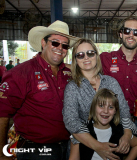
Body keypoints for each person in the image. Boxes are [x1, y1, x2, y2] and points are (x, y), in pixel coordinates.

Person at [0, 20, 80, 160]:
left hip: (68, 147)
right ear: (43, 43)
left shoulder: (68, 73)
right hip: (37, 151)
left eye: (65, 45)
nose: (60, 48)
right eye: (55, 43)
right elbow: (2, 114)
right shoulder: (21, 73)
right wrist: (1, 153)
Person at [62, 38, 137, 160]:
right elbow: (71, 122)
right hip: (83, 149)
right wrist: (97, 146)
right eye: (80, 55)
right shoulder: (72, 87)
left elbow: (124, 112)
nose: (86, 58)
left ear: (96, 56)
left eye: (90, 53)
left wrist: (127, 135)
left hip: (112, 144)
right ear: (75, 60)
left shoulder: (111, 82)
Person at [100, 15, 137, 160]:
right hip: (111, 122)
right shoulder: (105, 59)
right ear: (120, 33)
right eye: (127, 31)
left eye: (136, 32)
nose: (131, 35)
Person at [69, 88, 137, 160]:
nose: (106, 111)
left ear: (115, 111)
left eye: (110, 107)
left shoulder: (120, 130)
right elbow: (74, 157)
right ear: (94, 108)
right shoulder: (81, 130)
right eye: (101, 106)